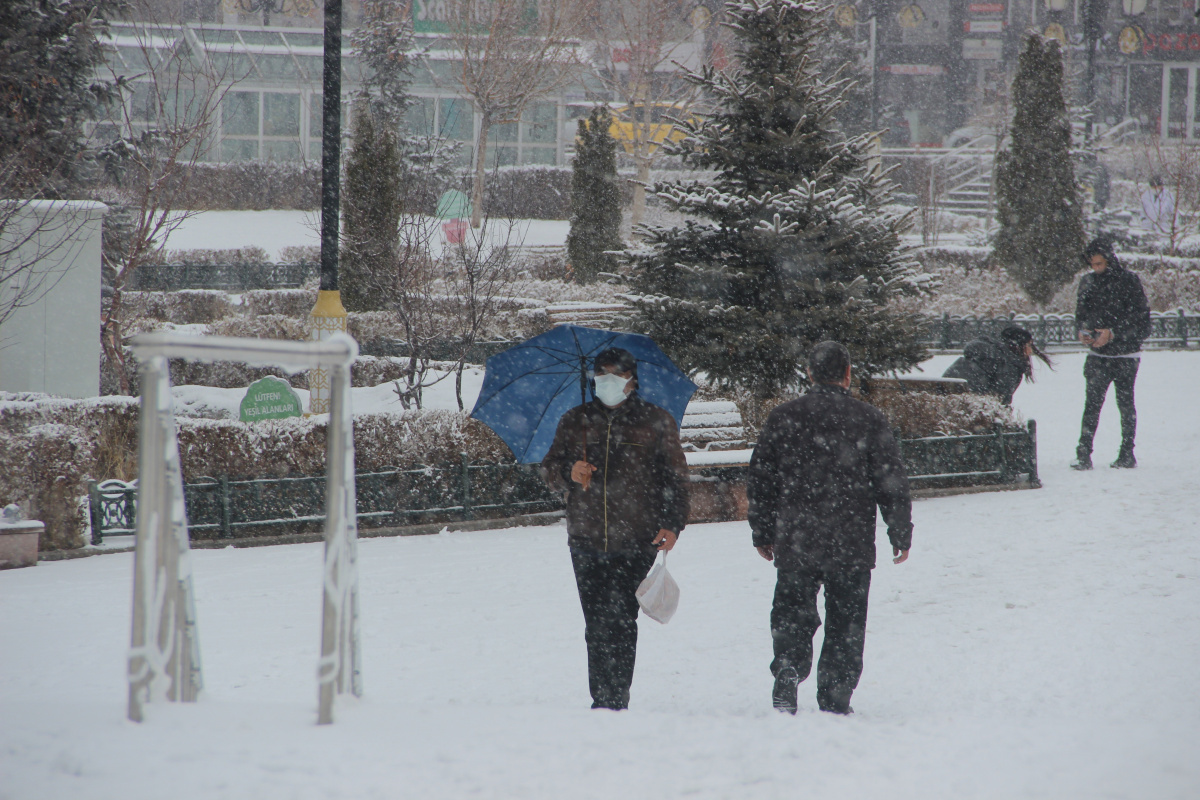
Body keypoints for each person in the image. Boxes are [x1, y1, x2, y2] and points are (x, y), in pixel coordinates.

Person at [747, 341, 913, 716]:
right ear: (848, 374)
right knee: (846, 620)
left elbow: (761, 478)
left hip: (797, 535)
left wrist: (762, 530)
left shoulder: (784, 416)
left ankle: (788, 666)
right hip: (850, 536)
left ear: (809, 373)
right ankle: (836, 694)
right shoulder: (869, 419)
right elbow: (891, 481)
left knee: (791, 609)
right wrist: (899, 531)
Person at [541, 347, 690, 710]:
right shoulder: (575, 420)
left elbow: (676, 478)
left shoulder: (656, 421)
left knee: (622, 620)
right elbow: (548, 470)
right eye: (601, 374)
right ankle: (601, 698)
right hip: (585, 537)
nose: (606, 381)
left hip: (635, 538)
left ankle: (616, 697)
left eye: (615, 375)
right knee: (596, 624)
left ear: (631, 380)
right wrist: (568, 472)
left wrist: (673, 524)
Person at [1071, 237, 1151, 470]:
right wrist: (1082, 331)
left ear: (1109, 260)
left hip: (1126, 357)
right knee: (1092, 405)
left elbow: (1142, 322)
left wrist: (1113, 333)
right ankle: (1083, 454)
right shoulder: (1087, 282)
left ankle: (1127, 453)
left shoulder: (1129, 281)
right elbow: (1081, 314)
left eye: (1099, 264)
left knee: (1125, 405)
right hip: (1098, 357)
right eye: (1092, 265)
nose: (1095, 269)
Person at [942, 325, 1053, 405]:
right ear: (1018, 346)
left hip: (946, 401)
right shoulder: (1007, 364)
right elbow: (1000, 399)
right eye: (1028, 345)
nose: (1030, 351)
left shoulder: (984, 355)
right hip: (971, 407)